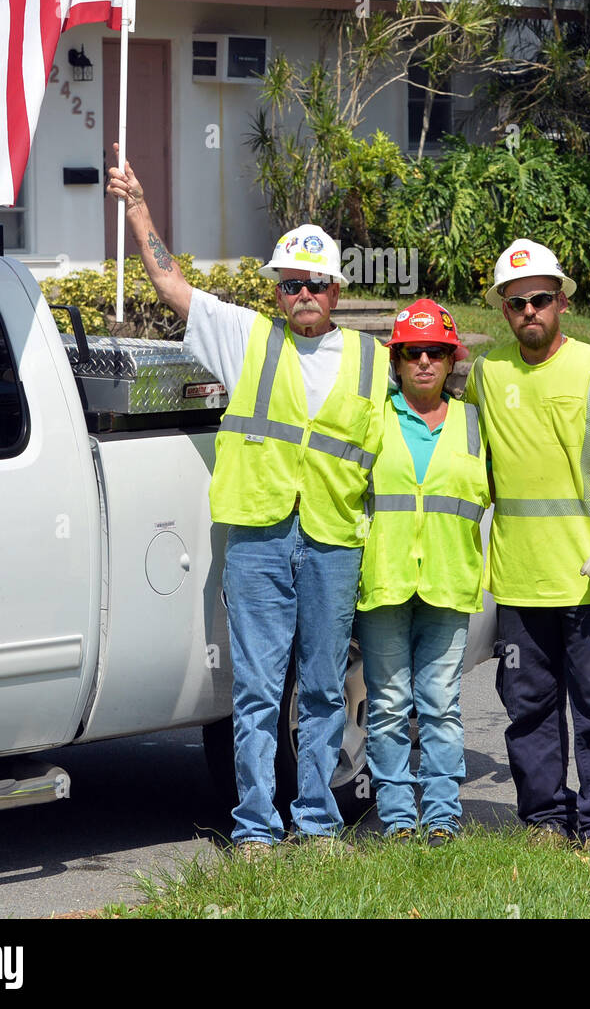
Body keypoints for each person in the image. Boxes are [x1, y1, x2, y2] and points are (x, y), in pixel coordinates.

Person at [106, 148, 388, 856]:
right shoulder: (245, 337)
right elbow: (171, 285)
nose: (303, 296)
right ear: (275, 292)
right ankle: (259, 828)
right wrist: (139, 208)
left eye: (315, 284)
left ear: (335, 290)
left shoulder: (371, 360)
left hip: (332, 542)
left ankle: (319, 824)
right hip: (259, 540)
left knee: (323, 691)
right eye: (290, 284)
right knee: (259, 694)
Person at [464, 239, 590, 851]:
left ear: (562, 303)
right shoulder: (485, 374)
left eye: (541, 300)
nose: (529, 311)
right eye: (516, 302)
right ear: (503, 309)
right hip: (520, 586)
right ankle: (547, 822)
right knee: (528, 711)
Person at [356, 299, 489, 845]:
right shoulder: (373, 418)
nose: (426, 363)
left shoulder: (476, 423)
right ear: (398, 360)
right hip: (385, 580)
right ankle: (397, 818)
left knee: (440, 703)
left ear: (453, 360)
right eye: (414, 353)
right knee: (387, 705)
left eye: (437, 352)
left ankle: (441, 817)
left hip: (449, 580)